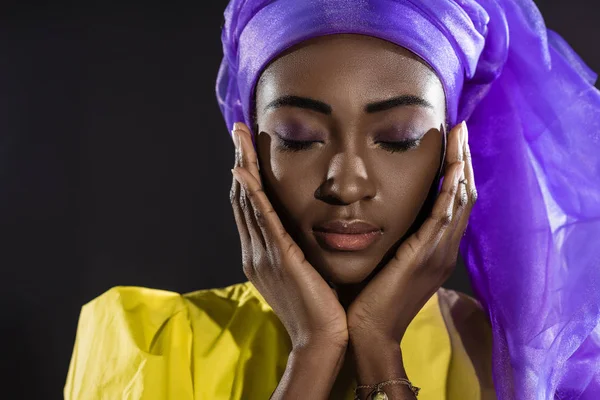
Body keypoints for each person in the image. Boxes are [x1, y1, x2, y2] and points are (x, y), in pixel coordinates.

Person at [64, 1, 600, 399]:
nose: (346, 185)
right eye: (298, 137)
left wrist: (380, 352)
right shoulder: (148, 345)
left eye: (398, 137)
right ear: (246, 145)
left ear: (454, 153)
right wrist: (314, 352)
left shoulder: (521, 370)